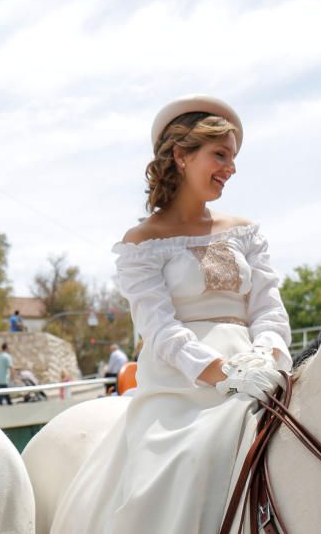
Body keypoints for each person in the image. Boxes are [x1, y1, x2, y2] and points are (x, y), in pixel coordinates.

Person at [51, 94, 292, 533]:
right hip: (183, 384)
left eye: (233, 157)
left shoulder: (245, 233)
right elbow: (158, 328)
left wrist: (267, 356)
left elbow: (269, 308)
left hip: (262, 373)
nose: (231, 167)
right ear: (182, 156)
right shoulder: (143, 241)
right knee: (183, 463)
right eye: (220, 154)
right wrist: (222, 373)